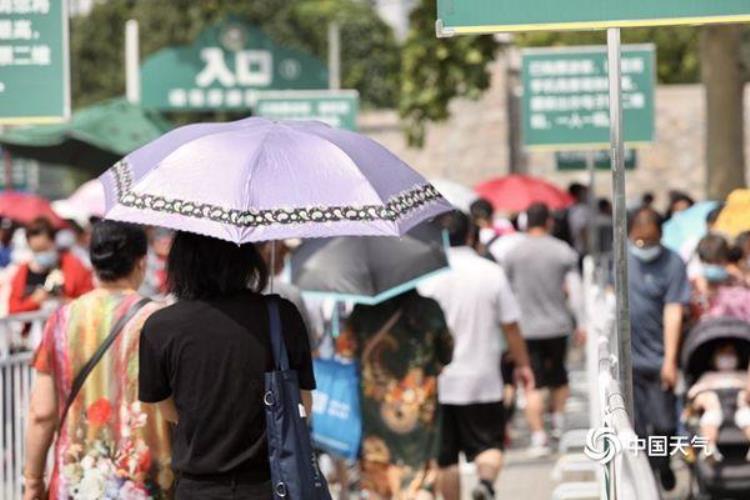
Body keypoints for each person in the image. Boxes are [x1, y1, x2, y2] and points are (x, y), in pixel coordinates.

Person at [138, 231, 315, 500]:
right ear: (245, 258)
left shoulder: (160, 327)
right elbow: (303, 405)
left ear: (182, 261)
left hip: (198, 488)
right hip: (274, 486)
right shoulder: (281, 316)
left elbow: (169, 411)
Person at [23, 221, 172, 500]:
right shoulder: (158, 320)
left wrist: (33, 481)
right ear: (141, 262)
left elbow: (41, 413)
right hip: (146, 484)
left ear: (94, 262)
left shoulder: (61, 321)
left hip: (76, 483)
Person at [418, 211, 534, 500]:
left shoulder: (427, 276)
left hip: (441, 382)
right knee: (489, 446)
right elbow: (511, 326)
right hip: (484, 379)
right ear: (472, 235)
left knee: (445, 459)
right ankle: (485, 483)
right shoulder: (491, 272)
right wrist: (522, 364)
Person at [337, 290, 453, 499]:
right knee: (419, 482)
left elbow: (345, 349)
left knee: (378, 484)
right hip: (419, 408)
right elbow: (447, 353)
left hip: (375, 408)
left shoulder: (363, 310)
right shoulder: (429, 309)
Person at [504, 202, 585, 455]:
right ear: (549, 221)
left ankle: (538, 435)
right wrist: (581, 322)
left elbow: (506, 292)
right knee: (559, 376)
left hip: (526, 328)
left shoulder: (513, 253)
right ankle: (559, 423)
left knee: (532, 383)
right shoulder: (562, 251)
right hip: (557, 325)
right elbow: (576, 291)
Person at [627, 207, 691, 491]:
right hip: (629, 361)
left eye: (650, 241)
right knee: (636, 428)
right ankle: (648, 482)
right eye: (639, 242)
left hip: (658, 358)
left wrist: (669, 359)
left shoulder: (673, 264)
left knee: (665, 425)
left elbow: (674, 311)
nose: (644, 247)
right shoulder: (622, 259)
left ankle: (662, 464)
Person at [9, 217, 93, 313]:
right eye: (37, 250)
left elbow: (90, 299)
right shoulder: (22, 272)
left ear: (53, 241)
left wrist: (65, 303)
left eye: (44, 248)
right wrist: (33, 301)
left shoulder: (73, 265)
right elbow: (13, 308)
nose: (41, 254)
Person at [684, 342, 750, 461]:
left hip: (740, 407)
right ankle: (710, 448)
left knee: (747, 418)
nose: (727, 358)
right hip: (715, 408)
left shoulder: (743, 375)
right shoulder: (708, 376)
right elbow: (694, 392)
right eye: (723, 354)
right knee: (709, 421)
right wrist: (700, 397)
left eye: (730, 354)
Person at [691, 234, 750, 323]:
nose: (713, 266)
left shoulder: (737, 280)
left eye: (717, 261)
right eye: (708, 262)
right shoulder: (695, 285)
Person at [566, 182, 591, 256]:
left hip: (572, 248)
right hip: (580, 250)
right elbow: (582, 229)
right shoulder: (580, 210)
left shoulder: (569, 208)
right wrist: (588, 248)